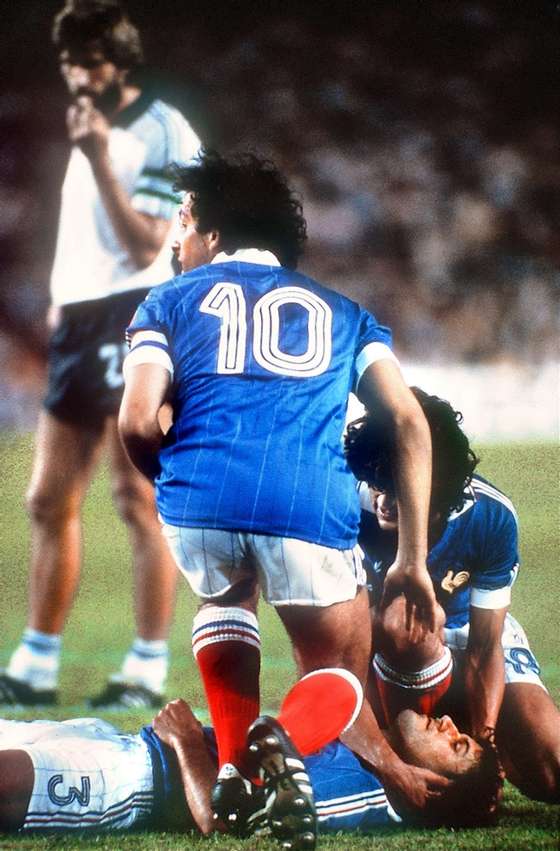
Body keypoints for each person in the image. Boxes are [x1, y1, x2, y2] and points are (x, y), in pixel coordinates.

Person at [117, 149, 438, 828]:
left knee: (225, 590)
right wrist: (410, 557)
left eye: (183, 218)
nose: (176, 238)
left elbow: (139, 418)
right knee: (338, 663)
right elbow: (407, 419)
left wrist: (178, 483)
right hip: (305, 506)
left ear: (212, 229)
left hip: (196, 502)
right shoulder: (347, 314)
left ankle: (233, 765)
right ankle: (281, 744)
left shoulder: (167, 301)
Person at [0, 0, 201, 710]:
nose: (77, 77)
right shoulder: (89, 120)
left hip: (134, 314)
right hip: (80, 319)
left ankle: (146, 665)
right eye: (68, 64)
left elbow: (148, 241)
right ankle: (36, 660)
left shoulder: (162, 126)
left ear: (120, 63)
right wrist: (63, 296)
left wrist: (94, 153)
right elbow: (86, 234)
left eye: (89, 63)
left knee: (135, 495)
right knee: (48, 496)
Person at [345, 386, 560, 804]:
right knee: (406, 621)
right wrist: (384, 752)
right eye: (377, 483)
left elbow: (484, 646)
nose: (383, 500)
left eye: (397, 487)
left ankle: (463, 725)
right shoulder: (343, 501)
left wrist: (484, 744)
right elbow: (344, 647)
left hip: (467, 636)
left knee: (551, 772)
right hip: (385, 644)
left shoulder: (489, 517)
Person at [0, 670, 503, 841]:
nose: (448, 724)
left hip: (128, 782)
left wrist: (186, 740)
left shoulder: (356, 796)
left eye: (455, 746)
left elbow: (227, 824)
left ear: (432, 789)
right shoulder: (373, 760)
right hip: (115, 742)